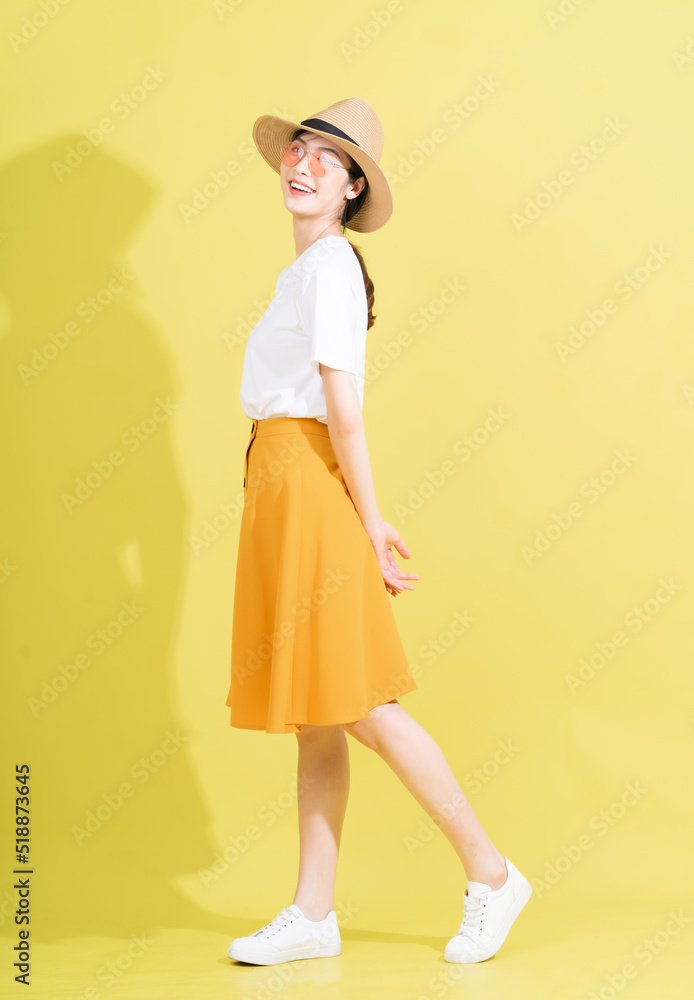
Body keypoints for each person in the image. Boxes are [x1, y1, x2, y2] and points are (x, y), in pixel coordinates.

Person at [226, 98, 532, 967]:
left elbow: (344, 413)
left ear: (354, 186)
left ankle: (492, 872)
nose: (303, 164)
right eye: (299, 148)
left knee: (360, 705)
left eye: (329, 160)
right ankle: (313, 913)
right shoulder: (306, 270)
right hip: (282, 485)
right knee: (318, 717)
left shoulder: (328, 269)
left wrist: (366, 520)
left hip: (311, 487)